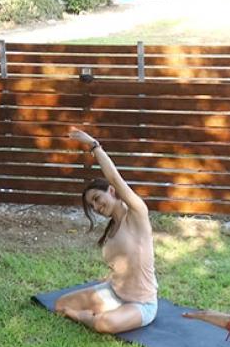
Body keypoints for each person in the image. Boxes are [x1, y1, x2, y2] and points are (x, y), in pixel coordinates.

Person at [53, 127, 158, 334]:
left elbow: (115, 178)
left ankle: (84, 317)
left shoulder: (137, 214)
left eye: (97, 199)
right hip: (113, 294)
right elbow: (123, 264)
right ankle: (93, 315)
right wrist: (111, 279)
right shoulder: (112, 229)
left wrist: (94, 146)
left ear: (111, 191)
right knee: (60, 304)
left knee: (105, 324)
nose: (96, 207)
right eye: (92, 206)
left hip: (141, 304)